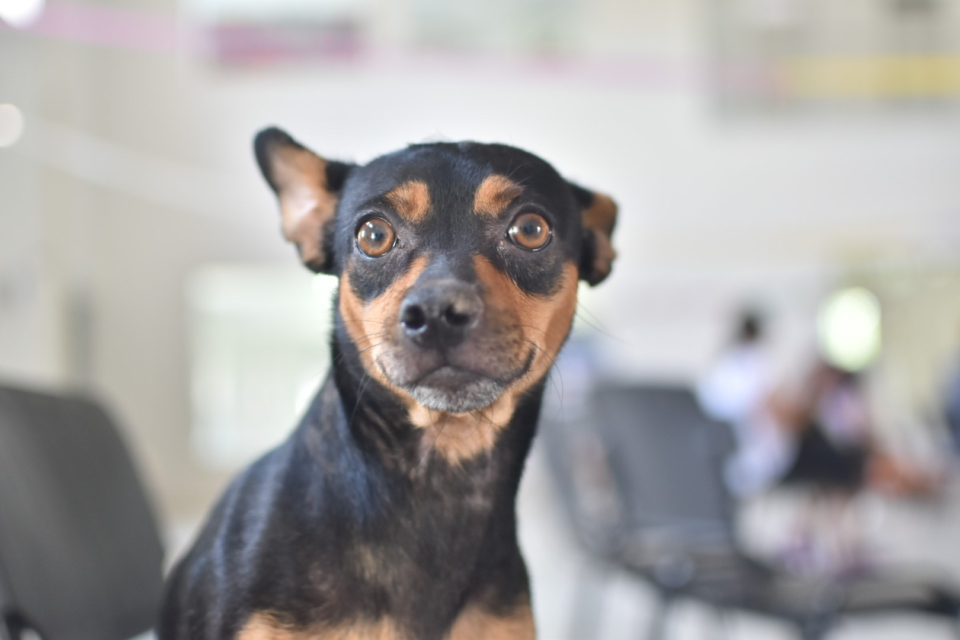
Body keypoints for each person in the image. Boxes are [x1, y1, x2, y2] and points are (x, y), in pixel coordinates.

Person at [698, 311, 796, 497]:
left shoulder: (719, 367)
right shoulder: (760, 364)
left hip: (715, 466)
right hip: (754, 463)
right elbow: (779, 411)